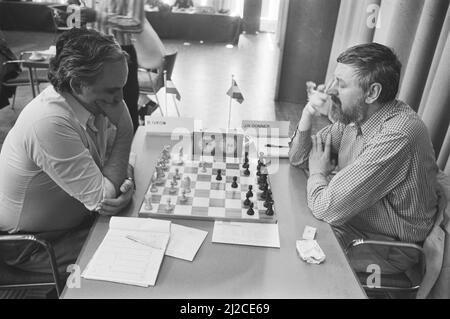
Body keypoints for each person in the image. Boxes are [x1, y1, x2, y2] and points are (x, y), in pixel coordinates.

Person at [289, 43, 439, 275]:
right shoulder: (357, 118)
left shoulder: (398, 134)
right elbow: (299, 158)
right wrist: (308, 113)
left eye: (341, 84)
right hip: (352, 224)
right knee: (287, 227)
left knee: (291, 257)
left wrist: (318, 173)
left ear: (372, 93)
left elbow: (325, 207)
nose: (330, 91)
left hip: (384, 248)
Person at [0, 28, 135, 276]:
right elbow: (103, 198)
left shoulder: (92, 101)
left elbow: (110, 166)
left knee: (139, 229)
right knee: (132, 252)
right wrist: (126, 129)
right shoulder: (50, 122)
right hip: (32, 244)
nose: (120, 99)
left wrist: (125, 185)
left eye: (122, 87)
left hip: (78, 222)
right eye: (112, 90)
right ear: (77, 84)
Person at [79, 0, 148, 133]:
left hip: (119, 52)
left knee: (125, 105)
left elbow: (137, 23)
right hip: (92, 49)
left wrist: (98, 16)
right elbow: (86, 16)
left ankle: (130, 150)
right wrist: (73, 17)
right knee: (94, 105)